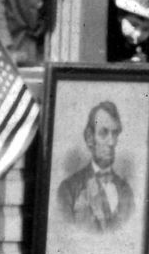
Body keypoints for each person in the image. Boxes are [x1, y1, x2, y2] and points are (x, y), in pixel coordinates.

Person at [54, 98, 135, 232]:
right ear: (90, 138)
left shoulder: (126, 191)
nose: (111, 142)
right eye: (104, 133)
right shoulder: (69, 189)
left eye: (115, 133)